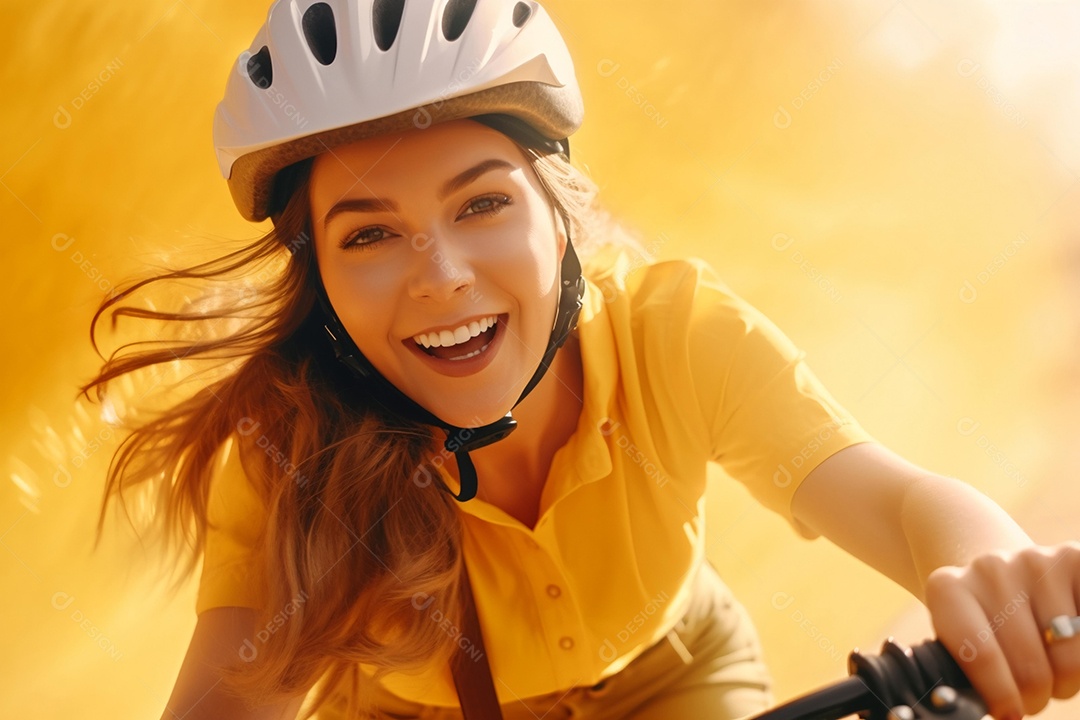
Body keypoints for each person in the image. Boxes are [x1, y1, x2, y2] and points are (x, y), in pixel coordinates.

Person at [81, 1, 1080, 719]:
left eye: (482, 204)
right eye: (368, 236)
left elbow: (893, 500)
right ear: (323, 289)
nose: (441, 276)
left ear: (561, 221)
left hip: (671, 673)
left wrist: (993, 577)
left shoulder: (675, 332)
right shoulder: (287, 448)